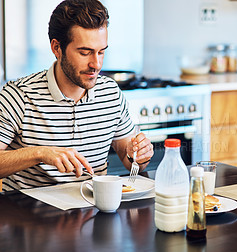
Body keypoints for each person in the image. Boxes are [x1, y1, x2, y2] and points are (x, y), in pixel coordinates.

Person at [0, 0, 153, 191]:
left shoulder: (111, 93)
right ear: (57, 48)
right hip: (32, 217)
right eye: (85, 52)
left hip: (94, 212)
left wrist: (139, 155)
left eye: (101, 52)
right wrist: (39, 153)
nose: (96, 64)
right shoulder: (18, 96)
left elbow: (130, 160)